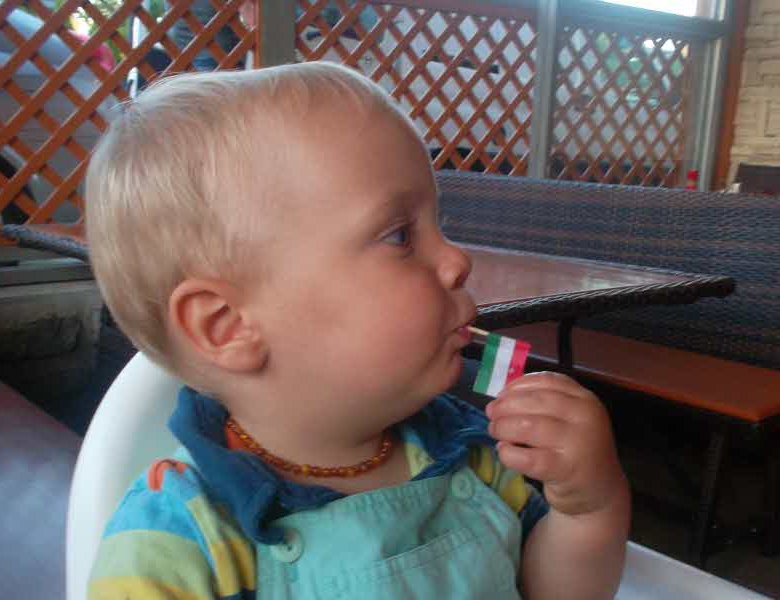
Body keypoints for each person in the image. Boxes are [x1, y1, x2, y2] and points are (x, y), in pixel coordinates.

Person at [84, 62, 631, 599]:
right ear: (228, 326)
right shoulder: (180, 544)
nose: (457, 260)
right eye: (400, 235)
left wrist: (589, 510)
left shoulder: (469, 455)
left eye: (439, 225)